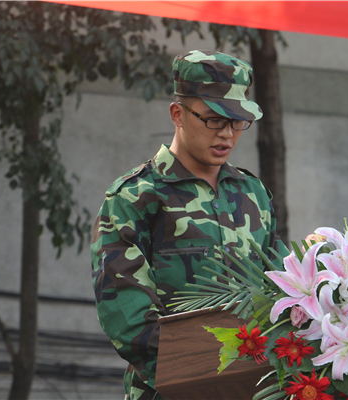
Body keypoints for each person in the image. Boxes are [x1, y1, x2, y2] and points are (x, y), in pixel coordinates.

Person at [90, 49, 290, 400]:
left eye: (237, 122)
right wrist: (203, 378)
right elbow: (126, 315)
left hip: (254, 387)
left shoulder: (252, 192)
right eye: (213, 120)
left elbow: (283, 288)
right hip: (172, 390)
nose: (227, 134)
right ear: (177, 114)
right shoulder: (135, 197)